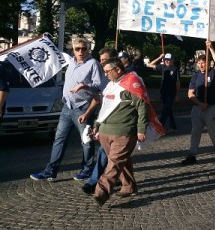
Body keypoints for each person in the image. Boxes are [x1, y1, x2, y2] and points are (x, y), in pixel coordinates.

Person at [30, 38, 102, 181]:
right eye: (77, 49)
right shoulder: (71, 62)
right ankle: (51, 171)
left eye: (83, 48)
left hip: (83, 107)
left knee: (86, 141)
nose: (80, 51)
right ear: (73, 50)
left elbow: (99, 86)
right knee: (59, 139)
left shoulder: (93, 64)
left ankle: (87, 169)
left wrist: (84, 86)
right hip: (67, 107)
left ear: (88, 49)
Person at [91, 58, 150, 206]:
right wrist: (97, 124)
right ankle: (129, 186)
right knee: (122, 160)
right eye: (104, 72)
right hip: (105, 130)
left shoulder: (132, 82)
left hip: (123, 131)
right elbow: (105, 106)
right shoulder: (111, 85)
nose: (105, 75)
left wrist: (141, 128)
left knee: (114, 163)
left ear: (118, 69)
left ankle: (101, 192)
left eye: (107, 71)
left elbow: (142, 106)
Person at [81, 47, 118, 195]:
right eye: (101, 60)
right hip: (105, 121)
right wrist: (90, 116)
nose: (102, 63)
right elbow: (99, 99)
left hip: (118, 124)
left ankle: (94, 182)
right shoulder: (104, 77)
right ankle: (125, 182)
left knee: (107, 153)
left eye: (105, 60)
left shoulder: (126, 78)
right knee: (110, 154)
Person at [181, 41, 215, 165]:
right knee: (195, 132)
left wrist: (211, 48)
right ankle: (192, 155)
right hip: (198, 108)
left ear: (208, 63)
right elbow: (190, 94)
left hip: (212, 107)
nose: (200, 65)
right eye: (199, 63)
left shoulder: (213, 73)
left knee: (213, 131)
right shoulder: (195, 76)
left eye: (203, 62)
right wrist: (199, 104)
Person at [147, 53, 181, 132]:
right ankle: (173, 127)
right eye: (166, 60)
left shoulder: (175, 69)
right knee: (168, 109)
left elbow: (178, 82)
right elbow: (149, 65)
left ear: (172, 60)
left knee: (165, 110)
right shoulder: (162, 67)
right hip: (163, 92)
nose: (167, 61)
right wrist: (159, 57)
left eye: (169, 60)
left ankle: (160, 126)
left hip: (171, 92)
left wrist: (177, 94)